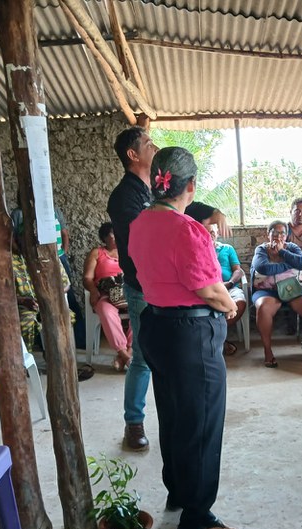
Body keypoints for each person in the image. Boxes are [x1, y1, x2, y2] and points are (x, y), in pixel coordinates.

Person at [128, 146, 238, 529]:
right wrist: (230, 304)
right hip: (191, 335)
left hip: (156, 325)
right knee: (202, 421)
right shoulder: (188, 229)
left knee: (174, 412)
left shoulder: (140, 222)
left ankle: (178, 489)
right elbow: (209, 289)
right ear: (190, 185)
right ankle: (196, 514)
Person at [107, 126, 228, 451]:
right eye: (147, 143)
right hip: (144, 286)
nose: (153, 144)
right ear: (133, 155)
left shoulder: (153, 190)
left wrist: (210, 211)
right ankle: (134, 422)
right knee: (145, 357)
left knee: (168, 358)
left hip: (165, 286)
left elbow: (175, 203)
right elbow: (155, 232)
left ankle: (175, 426)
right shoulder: (124, 197)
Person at [10, 205, 86, 349]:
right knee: (26, 322)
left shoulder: (49, 258)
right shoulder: (11, 262)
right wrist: (24, 300)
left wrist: (51, 295)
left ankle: (58, 353)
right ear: (19, 240)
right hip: (24, 306)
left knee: (65, 317)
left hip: (51, 302)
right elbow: (5, 293)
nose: (32, 245)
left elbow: (66, 283)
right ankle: (26, 359)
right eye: (26, 240)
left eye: (34, 241)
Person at [251, 220, 302, 368]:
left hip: (293, 287)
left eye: (282, 233)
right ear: (267, 234)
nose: (278, 236)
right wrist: (289, 265)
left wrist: (282, 252)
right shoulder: (261, 249)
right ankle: (268, 351)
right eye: (275, 232)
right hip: (267, 290)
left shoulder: (292, 247)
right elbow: (263, 268)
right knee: (263, 307)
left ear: (287, 235)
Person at [82, 222, 132, 371]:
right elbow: (87, 278)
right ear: (104, 238)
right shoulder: (97, 253)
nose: (115, 237)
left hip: (128, 293)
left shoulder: (128, 251)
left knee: (142, 310)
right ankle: (124, 354)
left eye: (117, 234)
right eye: (111, 235)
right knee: (105, 311)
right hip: (105, 294)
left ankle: (127, 353)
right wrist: (93, 290)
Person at [207, 222, 247, 355]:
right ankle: (221, 340)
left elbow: (238, 270)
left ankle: (216, 338)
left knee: (240, 303)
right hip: (209, 290)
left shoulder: (227, 248)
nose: (210, 235)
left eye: (213, 232)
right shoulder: (199, 250)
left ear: (217, 233)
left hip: (229, 286)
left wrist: (229, 283)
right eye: (207, 233)